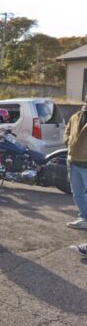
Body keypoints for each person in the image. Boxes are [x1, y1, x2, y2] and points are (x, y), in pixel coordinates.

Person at [64, 96, 87, 229]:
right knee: (77, 193)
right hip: (72, 160)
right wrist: (67, 142)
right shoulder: (75, 117)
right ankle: (84, 218)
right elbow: (67, 131)